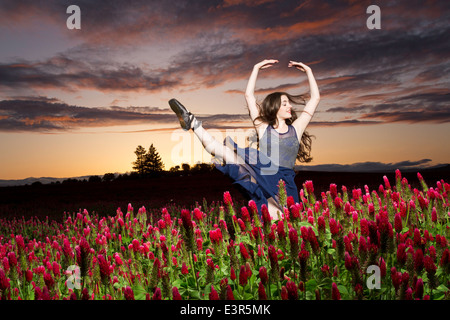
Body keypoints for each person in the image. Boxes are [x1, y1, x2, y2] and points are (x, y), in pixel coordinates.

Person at [169, 59, 320, 219]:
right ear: (275, 108)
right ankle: (193, 122)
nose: (289, 106)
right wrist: (256, 68)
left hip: (286, 181)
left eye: (289, 103)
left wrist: (308, 71)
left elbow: (315, 99)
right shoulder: (263, 128)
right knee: (226, 153)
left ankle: (193, 122)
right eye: (284, 103)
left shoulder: (296, 129)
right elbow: (249, 96)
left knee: (284, 222)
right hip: (265, 174)